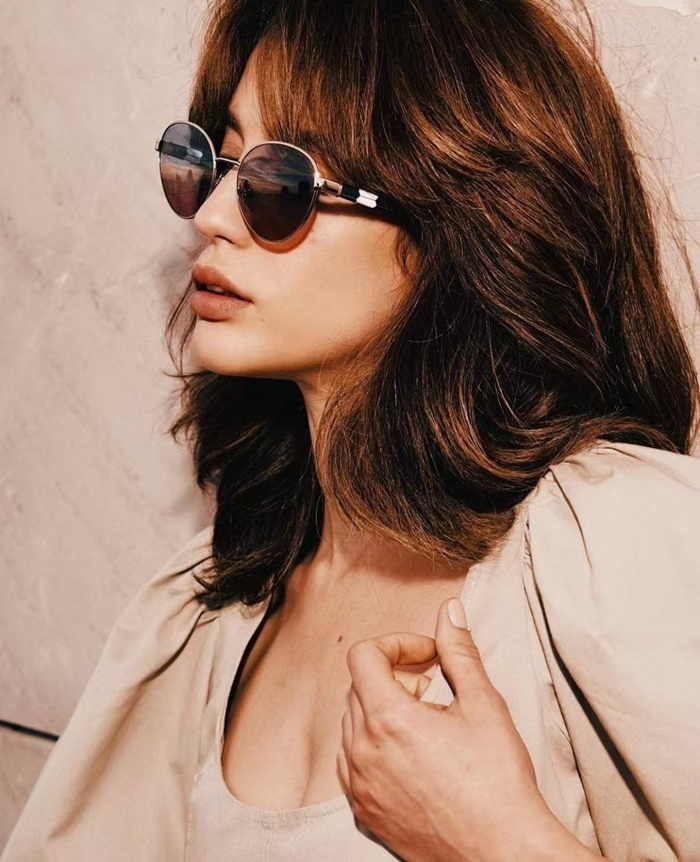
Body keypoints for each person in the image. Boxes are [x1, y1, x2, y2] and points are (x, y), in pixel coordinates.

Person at [4, 0, 700, 859]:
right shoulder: (203, 619)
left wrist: (497, 840)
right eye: (212, 163)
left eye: (280, 183)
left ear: (456, 229)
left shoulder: (608, 549)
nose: (212, 214)